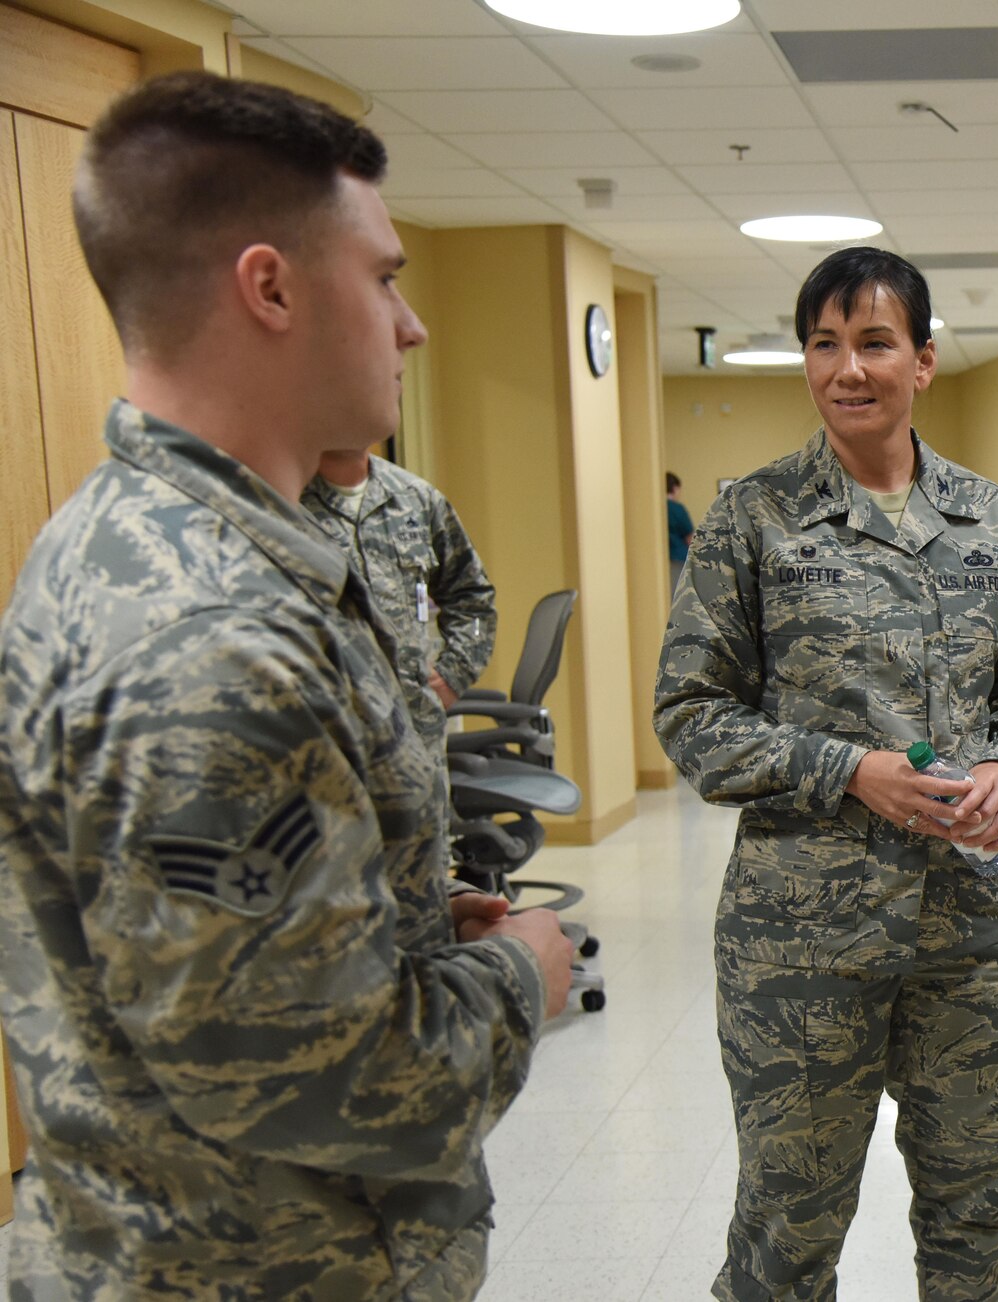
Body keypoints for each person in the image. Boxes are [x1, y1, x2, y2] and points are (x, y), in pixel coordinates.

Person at [0, 73, 572, 1298]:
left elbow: (208, 966)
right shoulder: (211, 635)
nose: (411, 325)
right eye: (383, 277)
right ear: (269, 287)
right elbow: (341, 1082)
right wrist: (525, 968)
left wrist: (396, 925)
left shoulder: (146, 540)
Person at [655, 245, 998, 1302]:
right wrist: (848, 770)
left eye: (874, 342)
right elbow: (691, 714)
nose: (847, 367)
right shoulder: (751, 519)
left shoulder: (991, 518)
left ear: (922, 361)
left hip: (972, 932)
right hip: (802, 938)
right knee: (787, 1224)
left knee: (976, 1208)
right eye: (823, 343)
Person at [302, 450, 497, 745]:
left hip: (416, 735)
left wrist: (455, 672)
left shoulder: (416, 500)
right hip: (329, 736)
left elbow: (472, 599)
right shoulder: (285, 502)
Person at [667, 470, 695, 600]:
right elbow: (690, 538)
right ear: (675, 488)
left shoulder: (654, 508)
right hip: (678, 559)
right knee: (679, 597)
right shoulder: (677, 509)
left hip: (663, 560)